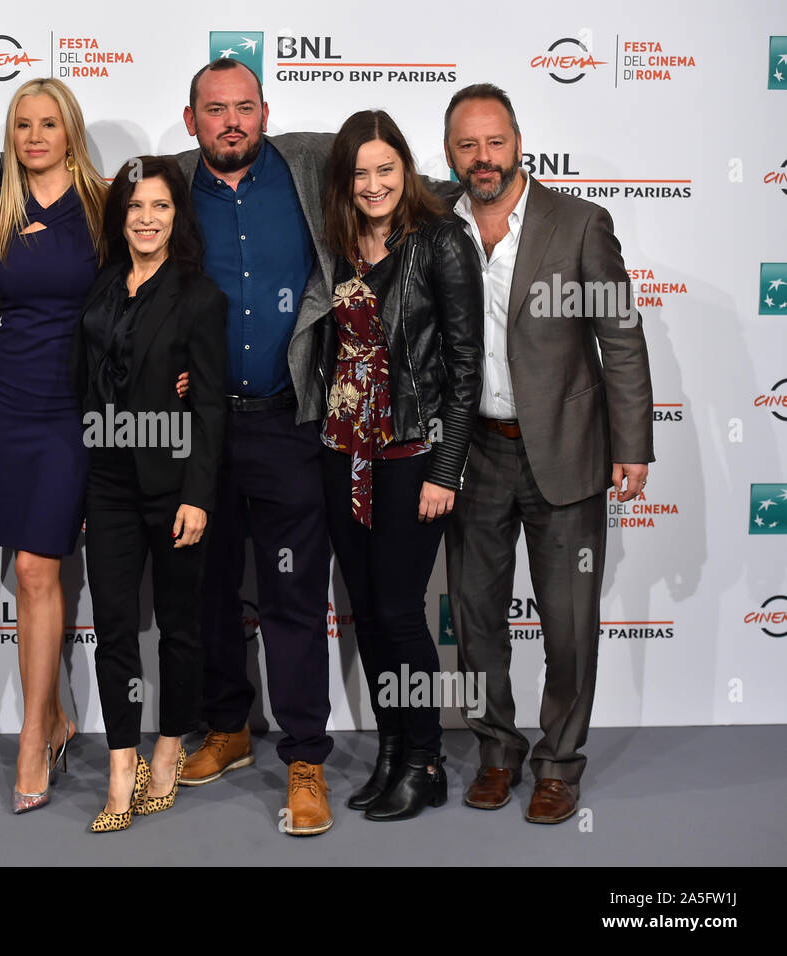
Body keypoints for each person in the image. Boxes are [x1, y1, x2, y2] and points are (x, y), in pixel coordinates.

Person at [441, 83, 654, 824]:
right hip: (473, 455)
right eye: (467, 145)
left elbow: (619, 338)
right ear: (450, 154)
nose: (483, 157)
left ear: (519, 143)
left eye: (494, 141)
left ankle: (558, 765)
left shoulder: (579, 223)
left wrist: (633, 442)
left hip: (563, 450)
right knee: (474, 620)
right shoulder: (436, 223)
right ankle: (495, 754)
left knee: (567, 622)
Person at [174, 58, 338, 835]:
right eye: (215, 110)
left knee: (293, 598)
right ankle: (228, 728)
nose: (231, 121)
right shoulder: (166, 185)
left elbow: (398, 181)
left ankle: (305, 760)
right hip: (200, 428)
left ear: (266, 112)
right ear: (191, 120)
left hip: (287, 420)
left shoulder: (311, 164)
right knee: (207, 587)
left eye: (244, 107)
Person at [318, 110, 483, 821]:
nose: (375, 184)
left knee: (399, 613)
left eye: (387, 169)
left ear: (406, 170)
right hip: (342, 454)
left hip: (413, 453)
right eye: (360, 172)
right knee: (371, 617)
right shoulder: (340, 240)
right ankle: (390, 752)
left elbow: (466, 364)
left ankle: (425, 761)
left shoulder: (441, 239)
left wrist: (447, 470)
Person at [72, 156, 227, 832]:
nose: (146, 218)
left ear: (177, 218)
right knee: (114, 631)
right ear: (121, 217)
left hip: (172, 487)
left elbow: (213, 406)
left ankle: (169, 748)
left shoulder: (201, 297)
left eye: (160, 206)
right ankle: (120, 766)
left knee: (179, 627)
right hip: (106, 481)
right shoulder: (103, 287)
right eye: (135, 206)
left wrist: (198, 494)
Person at [0, 78, 108, 813]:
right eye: (23, 125)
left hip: (75, 409)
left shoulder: (104, 204)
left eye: (48, 124)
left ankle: (30, 737)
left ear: (70, 131)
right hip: (10, 404)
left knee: (34, 565)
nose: (34, 137)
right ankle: (51, 717)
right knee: (29, 577)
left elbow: (140, 296)